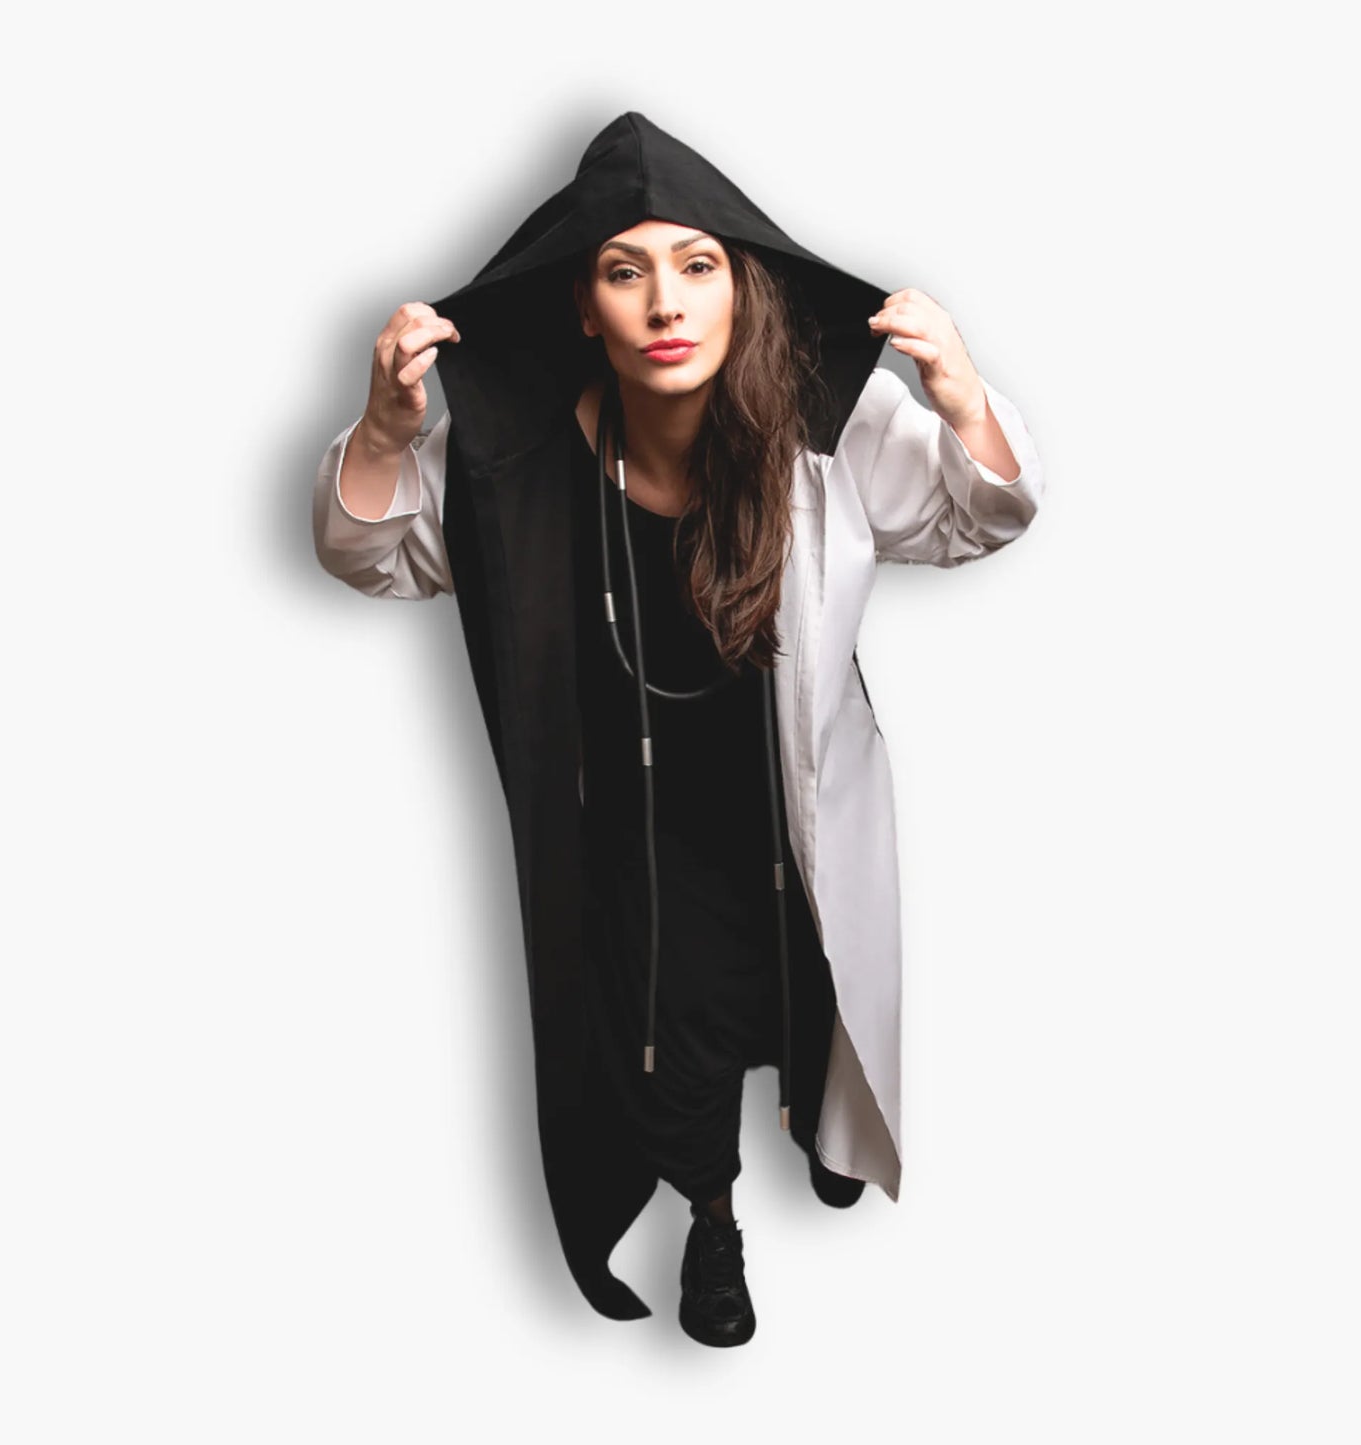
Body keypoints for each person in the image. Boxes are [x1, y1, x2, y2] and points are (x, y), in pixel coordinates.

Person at [312, 111, 1045, 1348]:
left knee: (808, 996)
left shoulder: (830, 429)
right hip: (636, 833)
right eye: (625, 270)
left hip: (793, 804)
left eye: (697, 265)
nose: (665, 302)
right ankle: (711, 1215)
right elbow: (372, 555)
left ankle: (824, 1133)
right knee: (673, 1033)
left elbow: (977, 518)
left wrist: (963, 396)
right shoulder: (514, 458)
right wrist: (385, 430)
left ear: (738, 287)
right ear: (581, 305)